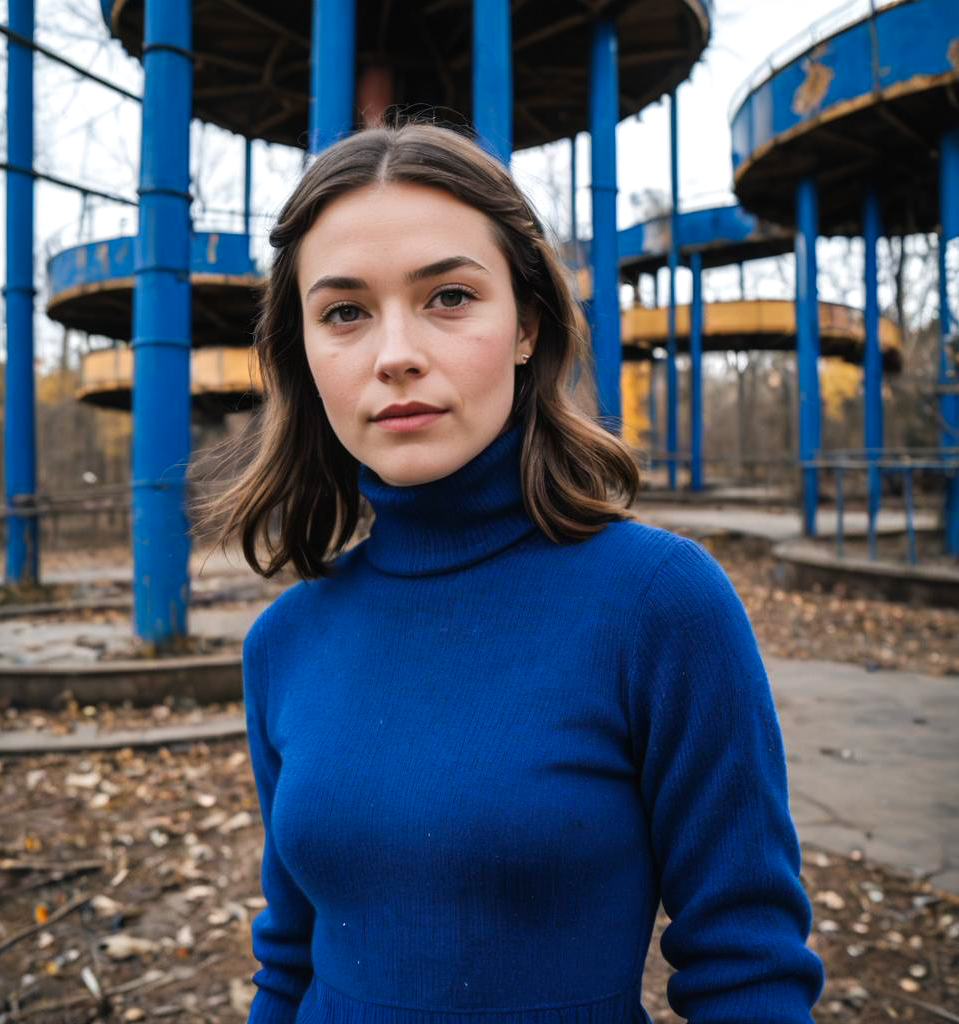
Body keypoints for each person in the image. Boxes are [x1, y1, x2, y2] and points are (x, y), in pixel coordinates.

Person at [204, 118, 824, 1024]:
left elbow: (748, 969)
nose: (395, 353)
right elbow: (290, 954)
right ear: (303, 352)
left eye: (449, 297)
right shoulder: (284, 642)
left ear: (528, 323)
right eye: (344, 312)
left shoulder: (659, 606)